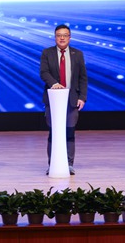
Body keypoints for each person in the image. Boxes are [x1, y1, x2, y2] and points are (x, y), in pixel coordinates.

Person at [39, 24, 88, 175]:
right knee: (54, 132)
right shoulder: (47, 53)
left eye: (65, 35)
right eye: (59, 35)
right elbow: (43, 72)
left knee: (69, 131)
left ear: (69, 37)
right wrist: (54, 84)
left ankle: (69, 164)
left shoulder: (77, 54)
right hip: (53, 100)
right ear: (55, 37)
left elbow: (83, 77)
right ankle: (53, 164)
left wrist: (82, 97)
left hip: (72, 100)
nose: (62, 38)